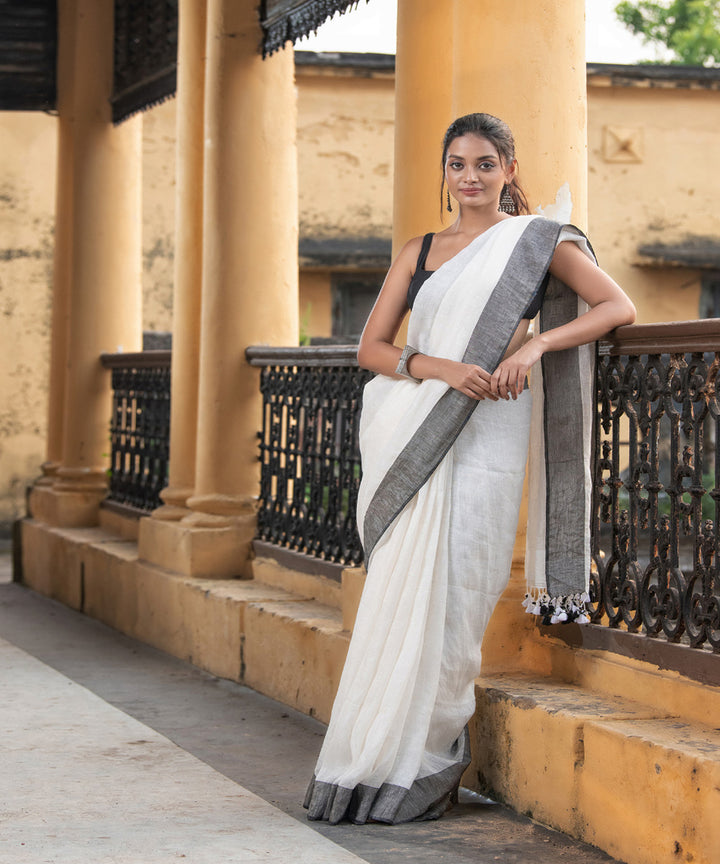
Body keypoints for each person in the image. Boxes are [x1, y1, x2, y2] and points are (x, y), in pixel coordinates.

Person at [304, 113, 636, 826]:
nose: (471, 177)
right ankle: (376, 765)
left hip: (489, 430)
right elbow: (371, 348)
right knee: (400, 593)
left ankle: (425, 761)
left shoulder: (537, 242)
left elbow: (618, 305)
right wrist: (442, 368)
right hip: (417, 421)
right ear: (445, 171)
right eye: (458, 164)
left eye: (486, 164)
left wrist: (536, 346)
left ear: (509, 169)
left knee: (458, 593)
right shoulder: (420, 250)